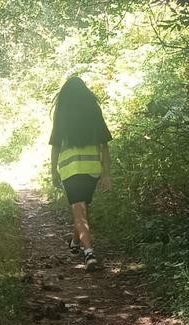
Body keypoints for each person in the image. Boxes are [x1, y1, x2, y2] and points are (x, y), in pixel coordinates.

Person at [49, 76, 112, 271]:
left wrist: (53, 172)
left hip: (70, 169)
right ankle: (76, 243)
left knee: (79, 211)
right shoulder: (93, 111)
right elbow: (104, 146)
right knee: (82, 210)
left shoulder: (62, 114)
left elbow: (55, 146)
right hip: (92, 168)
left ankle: (89, 253)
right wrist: (106, 174)